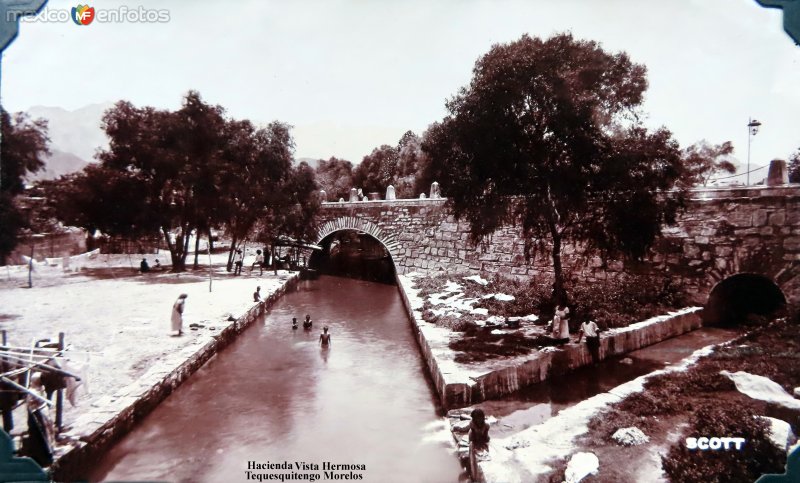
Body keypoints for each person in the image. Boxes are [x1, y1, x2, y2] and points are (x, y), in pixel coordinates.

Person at [468, 408, 490, 477]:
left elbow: (485, 437)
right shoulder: (472, 424)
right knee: (473, 444)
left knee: (486, 442)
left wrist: (484, 444)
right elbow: (474, 436)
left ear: (483, 418)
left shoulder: (486, 425)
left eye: (480, 418)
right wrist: (476, 445)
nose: (479, 420)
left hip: (482, 434)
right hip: (473, 435)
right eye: (477, 418)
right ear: (474, 419)